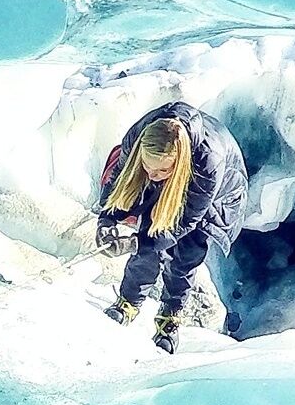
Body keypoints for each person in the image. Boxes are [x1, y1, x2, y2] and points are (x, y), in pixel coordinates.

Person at [97, 103, 249, 352]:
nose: (153, 174)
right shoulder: (140, 137)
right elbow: (119, 178)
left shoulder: (209, 162)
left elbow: (185, 223)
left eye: (161, 169)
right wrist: (107, 220)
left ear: (177, 162)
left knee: (186, 254)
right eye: (147, 166)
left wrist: (137, 243)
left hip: (216, 195)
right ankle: (128, 301)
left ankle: (170, 318)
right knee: (149, 233)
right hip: (180, 176)